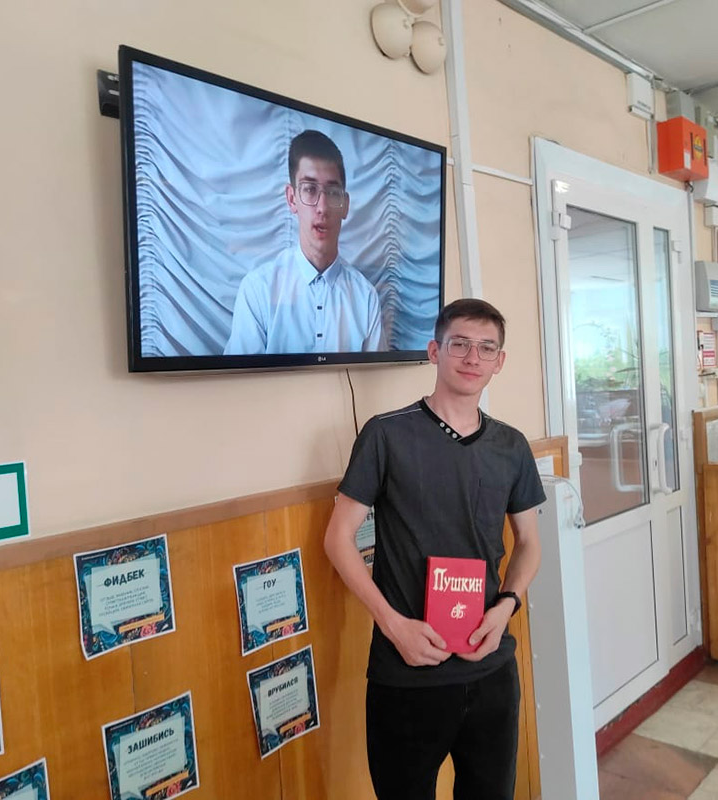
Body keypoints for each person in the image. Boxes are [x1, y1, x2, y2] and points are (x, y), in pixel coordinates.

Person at [323, 298, 545, 800]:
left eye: (486, 348)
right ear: (434, 351)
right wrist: (392, 624)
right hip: (406, 672)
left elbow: (529, 543)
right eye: (459, 344)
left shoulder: (511, 446)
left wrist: (506, 607)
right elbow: (337, 540)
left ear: (499, 361)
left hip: (490, 668)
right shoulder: (386, 434)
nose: (472, 357)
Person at [225, 130, 384, 355]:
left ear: (345, 205)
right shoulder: (258, 289)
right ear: (292, 199)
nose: (322, 207)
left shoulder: (365, 297)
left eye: (333, 192)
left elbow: (378, 376)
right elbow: (241, 377)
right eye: (310, 189)